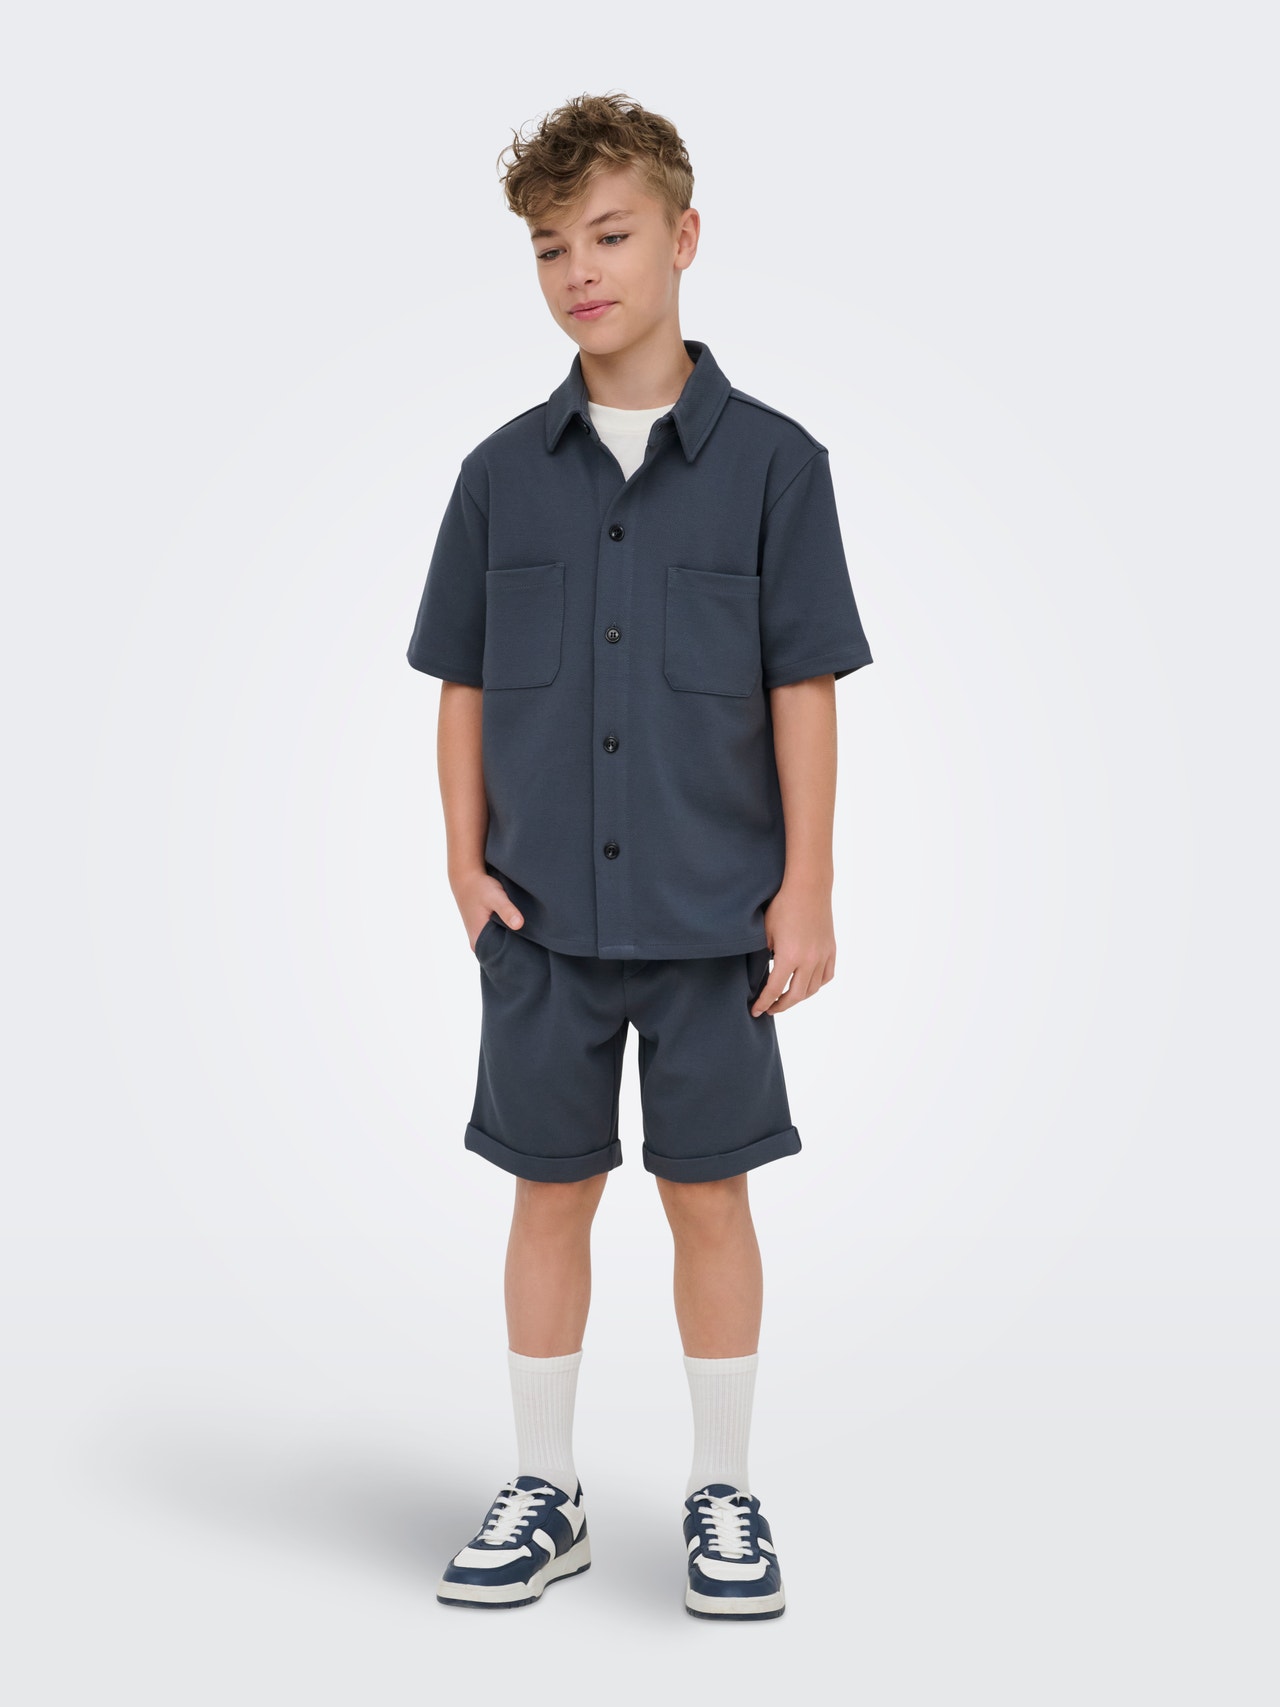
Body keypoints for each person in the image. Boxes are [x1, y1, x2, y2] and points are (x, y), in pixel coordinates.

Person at [406, 91, 873, 1619]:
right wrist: (463, 869)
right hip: (538, 923)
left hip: (712, 921)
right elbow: (463, 683)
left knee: (709, 1198)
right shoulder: (499, 476)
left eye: (608, 236)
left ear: (683, 238)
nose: (580, 271)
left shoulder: (777, 467)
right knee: (547, 1197)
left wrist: (807, 887)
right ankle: (545, 1489)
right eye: (551, 249)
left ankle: (722, 1490)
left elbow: (802, 686)